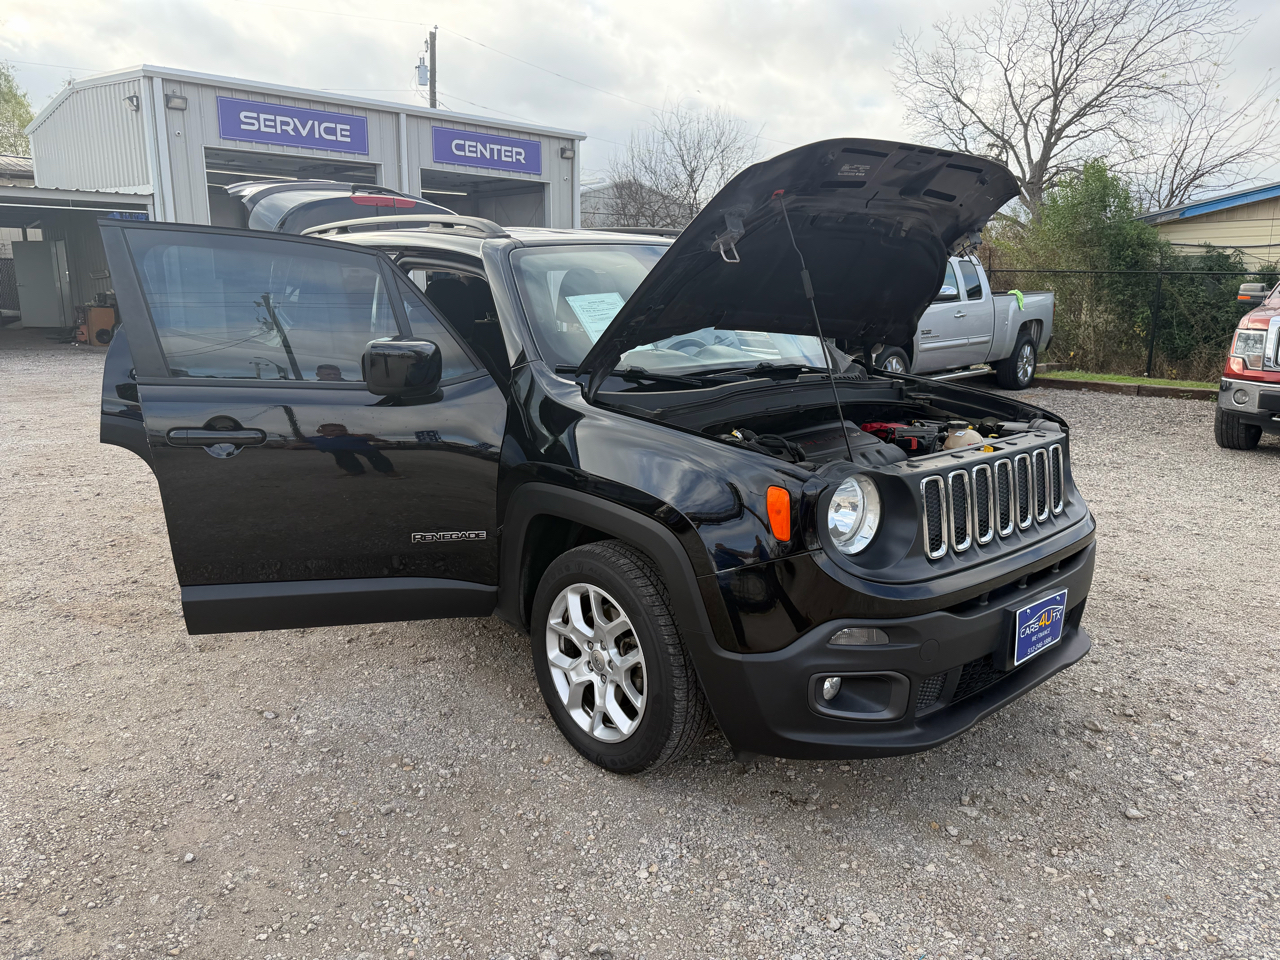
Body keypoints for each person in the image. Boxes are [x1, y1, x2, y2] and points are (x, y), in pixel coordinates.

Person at [289, 423, 403, 478]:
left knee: (375, 456)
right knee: (344, 459)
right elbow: (307, 442)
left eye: (342, 430)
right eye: (333, 430)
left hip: (363, 448)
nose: (338, 432)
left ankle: (388, 470)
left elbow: (371, 438)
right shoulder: (319, 438)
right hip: (339, 450)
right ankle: (355, 470)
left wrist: (385, 441)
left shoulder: (354, 436)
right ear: (321, 431)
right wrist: (294, 446)